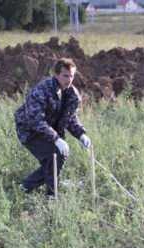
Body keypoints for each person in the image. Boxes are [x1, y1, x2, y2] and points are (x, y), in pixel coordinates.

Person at [15, 58, 91, 196]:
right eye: (65, 76)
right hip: (29, 131)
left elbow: (70, 118)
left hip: (50, 130)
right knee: (55, 157)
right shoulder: (42, 90)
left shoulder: (71, 94)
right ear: (56, 74)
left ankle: (28, 188)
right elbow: (35, 120)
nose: (69, 79)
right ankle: (44, 193)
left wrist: (81, 134)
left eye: (72, 76)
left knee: (54, 160)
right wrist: (56, 139)